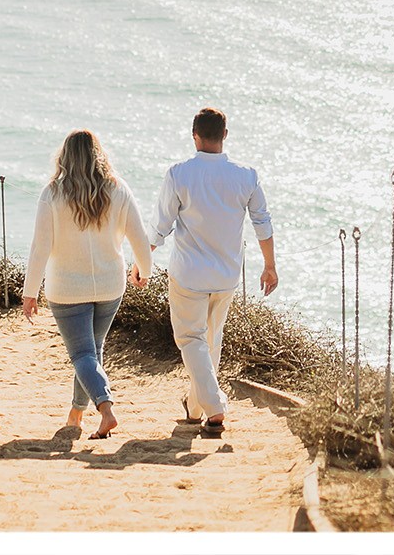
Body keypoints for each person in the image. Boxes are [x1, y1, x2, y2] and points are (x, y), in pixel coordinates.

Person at [152, 106, 277, 438]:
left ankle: (215, 405)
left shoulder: (179, 174)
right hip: (226, 277)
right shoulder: (246, 175)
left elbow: (161, 227)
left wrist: (141, 259)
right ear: (225, 134)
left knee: (190, 339)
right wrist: (270, 266)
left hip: (189, 275)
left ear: (195, 136)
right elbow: (262, 222)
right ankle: (196, 408)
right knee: (210, 340)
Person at [20, 129, 152, 440]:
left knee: (82, 354)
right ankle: (76, 414)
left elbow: (40, 247)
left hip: (67, 289)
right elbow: (139, 238)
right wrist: (144, 270)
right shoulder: (118, 190)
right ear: (99, 155)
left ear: (64, 156)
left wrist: (30, 292)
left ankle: (106, 410)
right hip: (109, 286)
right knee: (92, 352)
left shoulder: (52, 193)